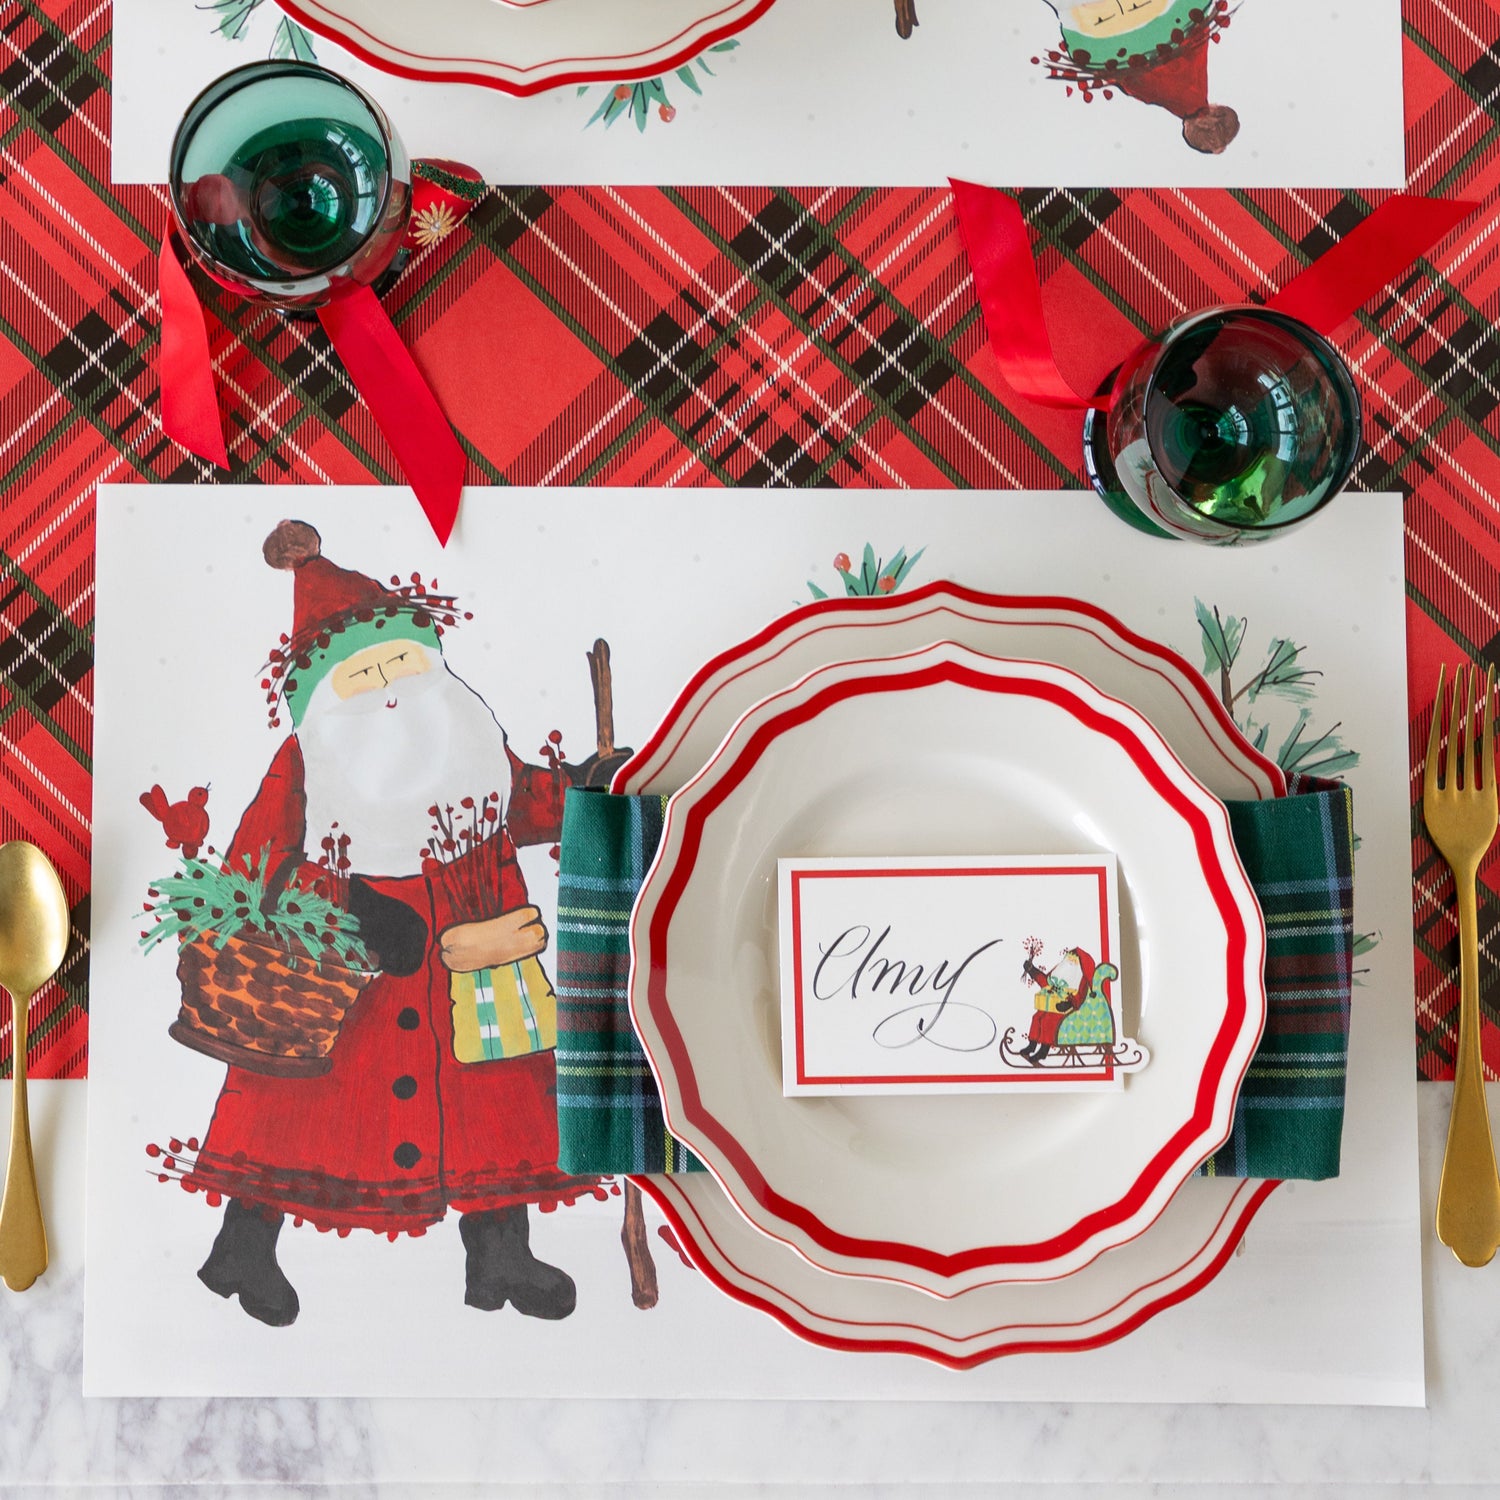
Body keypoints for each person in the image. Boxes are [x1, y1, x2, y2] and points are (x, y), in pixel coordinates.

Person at [183, 520, 607, 1327]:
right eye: (361, 674)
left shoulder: (467, 742)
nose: (386, 688)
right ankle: (242, 1248)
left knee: (493, 1101)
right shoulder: (307, 764)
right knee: (295, 1110)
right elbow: (254, 867)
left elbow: (524, 801)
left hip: (475, 956)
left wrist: (588, 787)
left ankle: (500, 1255)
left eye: (399, 665)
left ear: (428, 665)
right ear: (323, 697)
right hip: (350, 977)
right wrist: (345, 904)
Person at [1038, 0, 1240, 155]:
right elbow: (1125, 77)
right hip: (1106, 27)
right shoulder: (1173, 96)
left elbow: (1197, 27)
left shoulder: (1195, 78)